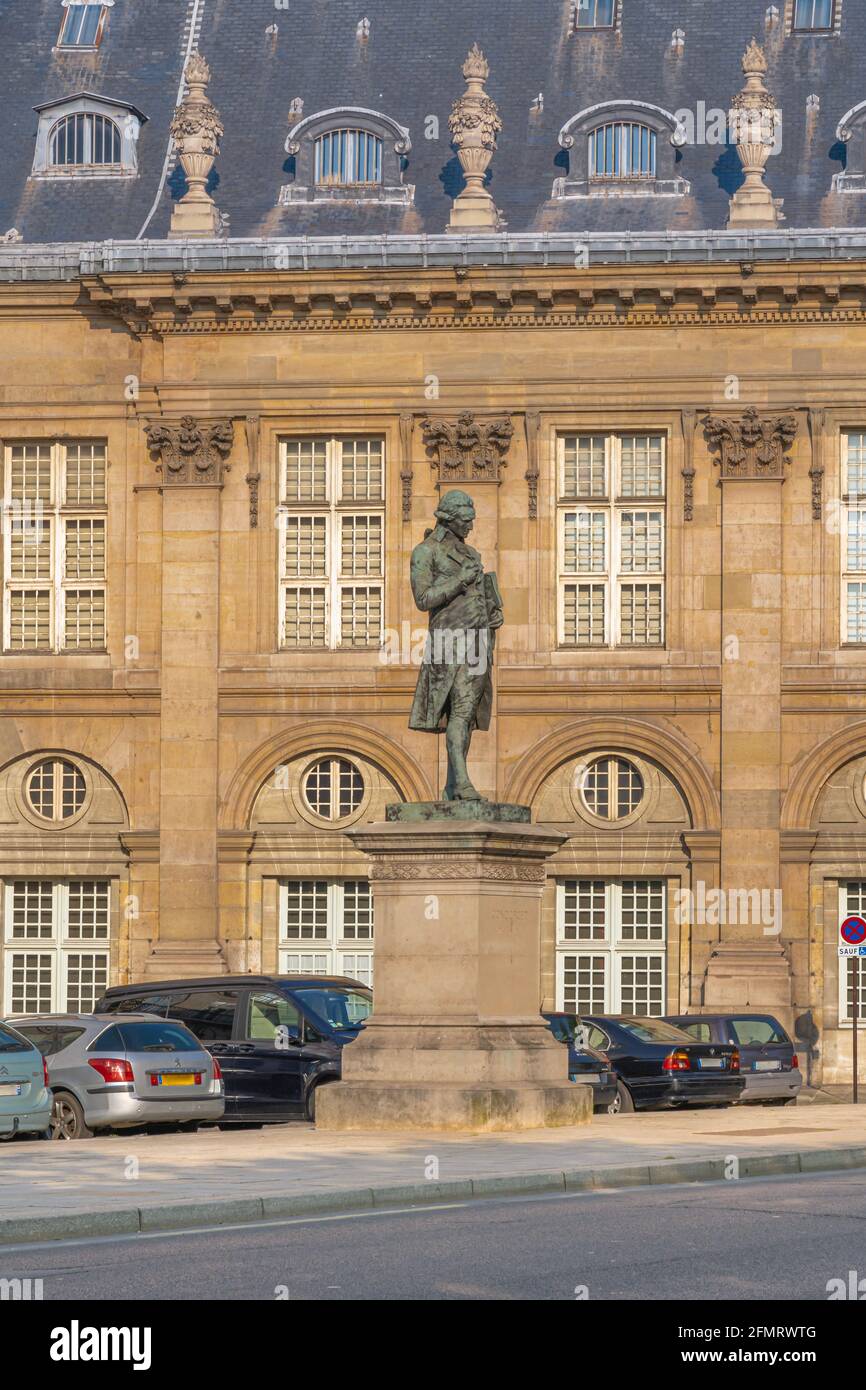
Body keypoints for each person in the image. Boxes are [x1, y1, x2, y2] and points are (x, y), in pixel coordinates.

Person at [409, 489, 503, 800]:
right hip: (449, 641)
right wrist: (460, 580)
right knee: (460, 711)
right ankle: (461, 783)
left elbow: (479, 594)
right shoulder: (425, 552)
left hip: (477, 640)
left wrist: (492, 610)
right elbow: (424, 599)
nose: (471, 526)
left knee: (467, 715)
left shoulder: (471, 554)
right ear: (449, 519)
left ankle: (454, 785)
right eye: (466, 520)